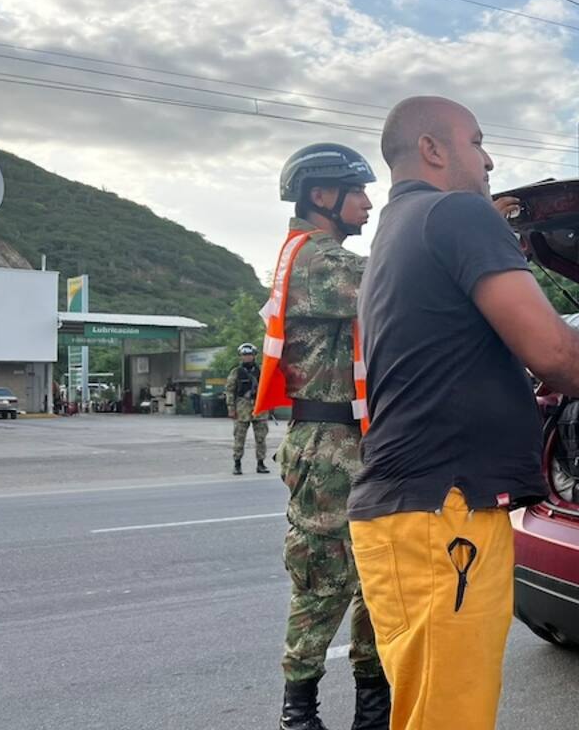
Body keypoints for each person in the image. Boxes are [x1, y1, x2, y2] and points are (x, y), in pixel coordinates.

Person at [350, 96, 579, 730]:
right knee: (450, 720)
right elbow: (552, 351)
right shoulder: (455, 212)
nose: (490, 160)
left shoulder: (398, 229)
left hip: (414, 513)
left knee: (429, 712)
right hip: (444, 514)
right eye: (477, 142)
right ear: (432, 149)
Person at [252, 142, 389, 730]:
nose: (368, 204)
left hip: (356, 440)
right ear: (322, 194)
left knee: (377, 578)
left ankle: (372, 709)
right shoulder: (315, 259)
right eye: (358, 192)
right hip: (328, 444)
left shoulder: (322, 256)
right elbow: (396, 279)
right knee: (324, 580)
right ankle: (299, 714)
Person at [225, 342, 270, 475]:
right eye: (244, 355)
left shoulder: (262, 370)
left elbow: (269, 387)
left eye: (250, 354)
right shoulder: (236, 372)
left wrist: (269, 404)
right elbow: (229, 390)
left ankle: (261, 463)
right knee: (239, 438)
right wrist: (231, 408)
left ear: (254, 355)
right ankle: (237, 464)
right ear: (241, 356)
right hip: (242, 408)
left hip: (259, 408)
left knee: (261, 438)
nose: (247, 357)